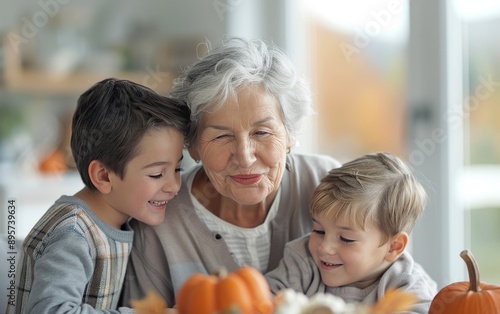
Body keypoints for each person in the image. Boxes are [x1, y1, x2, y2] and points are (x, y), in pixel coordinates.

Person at [120, 37, 341, 307]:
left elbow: (397, 286)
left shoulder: (328, 185)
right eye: (222, 137)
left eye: (262, 132)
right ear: (193, 146)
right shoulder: (158, 217)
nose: (245, 158)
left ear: (290, 135)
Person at [6, 78, 190, 314]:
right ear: (103, 176)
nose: (174, 186)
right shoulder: (74, 233)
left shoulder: (116, 220)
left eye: (177, 169)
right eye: (157, 174)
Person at [265, 152, 437, 314]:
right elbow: (261, 302)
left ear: (393, 246)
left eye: (346, 239)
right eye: (319, 230)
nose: (325, 248)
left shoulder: (406, 286)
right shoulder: (303, 262)